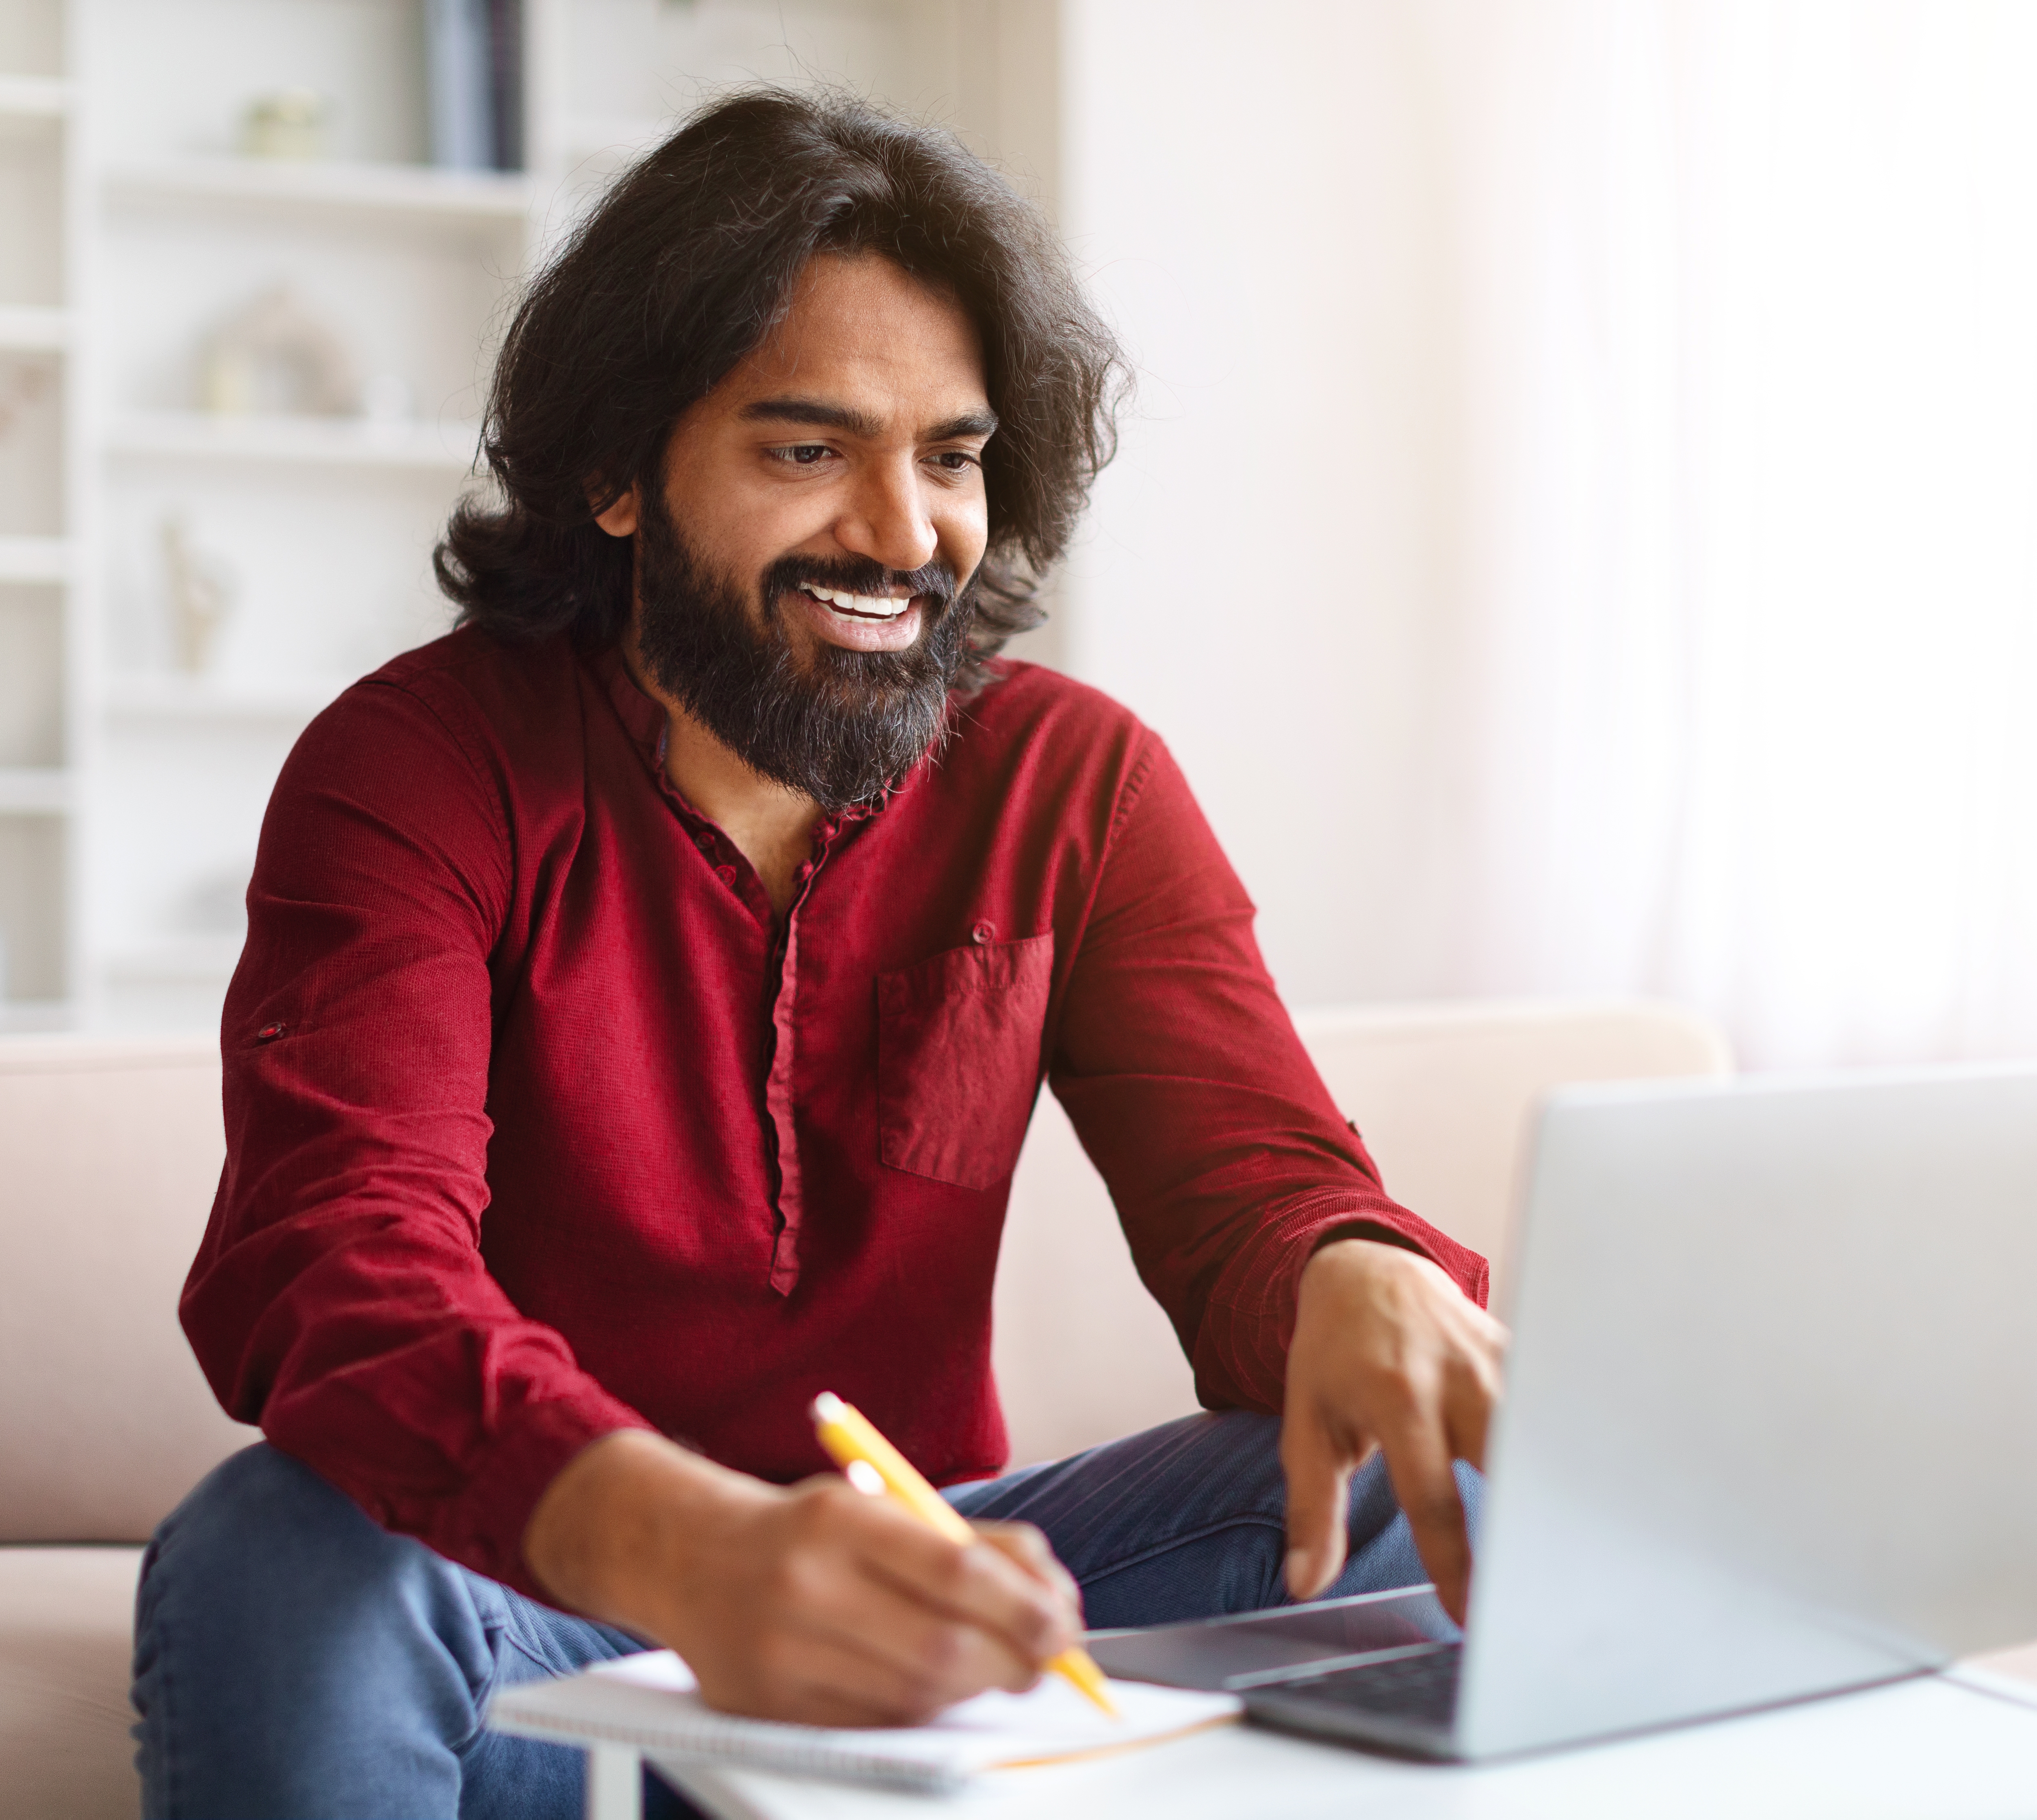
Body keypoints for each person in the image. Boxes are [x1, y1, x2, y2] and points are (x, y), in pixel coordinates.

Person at [132, 88, 1505, 1819]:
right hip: (552, 1601)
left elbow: (1254, 1193)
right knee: (279, 1547)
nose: (902, 530)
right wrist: (702, 1555)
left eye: (949, 456)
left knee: (1434, 1471)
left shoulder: (1075, 780)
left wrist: (1352, 1270)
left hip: (925, 1604)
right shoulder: (418, 768)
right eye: (807, 451)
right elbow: (343, 1269)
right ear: (618, 476)